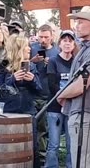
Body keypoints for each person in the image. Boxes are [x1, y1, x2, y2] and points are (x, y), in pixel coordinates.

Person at [58, 6, 90, 168]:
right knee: (78, 158)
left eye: (80, 22)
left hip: (85, 110)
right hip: (79, 108)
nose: (76, 26)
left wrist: (61, 94)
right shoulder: (86, 49)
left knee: (81, 159)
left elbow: (82, 85)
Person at [0, 33, 42, 168]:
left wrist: (32, 80)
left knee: (32, 146)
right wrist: (12, 80)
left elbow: (39, 90)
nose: (29, 48)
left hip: (28, 112)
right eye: (25, 46)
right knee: (9, 148)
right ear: (17, 49)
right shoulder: (3, 67)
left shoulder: (32, 66)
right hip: (9, 113)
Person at [45, 30, 76, 168]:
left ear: (74, 44)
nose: (67, 43)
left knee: (71, 143)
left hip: (72, 107)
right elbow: (52, 84)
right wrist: (62, 99)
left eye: (70, 41)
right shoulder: (53, 61)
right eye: (65, 40)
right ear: (60, 44)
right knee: (54, 143)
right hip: (55, 108)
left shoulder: (77, 62)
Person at [30, 24, 60, 164]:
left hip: (48, 95)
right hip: (32, 93)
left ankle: (42, 159)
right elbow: (22, 65)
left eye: (46, 37)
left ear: (52, 37)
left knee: (43, 130)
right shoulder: (32, 49)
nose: (43, 40)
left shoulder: (56, 52)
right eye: (40, 37)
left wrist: (52, 64)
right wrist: (33, 61)